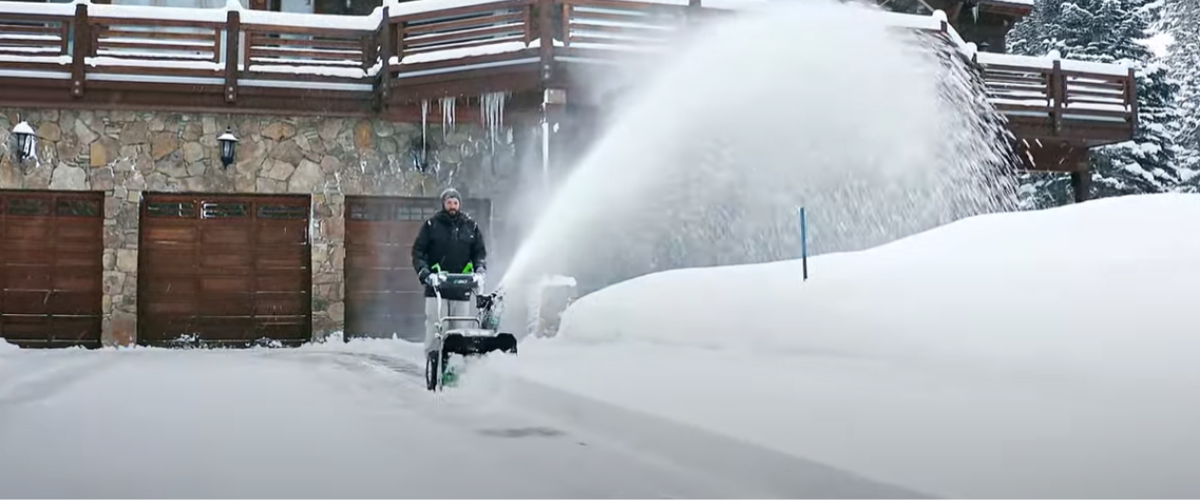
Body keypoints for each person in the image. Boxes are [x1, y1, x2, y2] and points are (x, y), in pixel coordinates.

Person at [411, 188, 487, 353]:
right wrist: (425, 273)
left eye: (455, 203)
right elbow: (418, 252)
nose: (452, 206)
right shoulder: (431, 225)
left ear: (459, 205)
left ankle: (458, 360)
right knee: (437, 327)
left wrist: (480, 269)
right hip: (437, 288)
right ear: (443, 204)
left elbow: (479, 253)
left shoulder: (471, 227)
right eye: (449, 202)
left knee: (461, 329)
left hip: (461, 288)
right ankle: (434, 359)